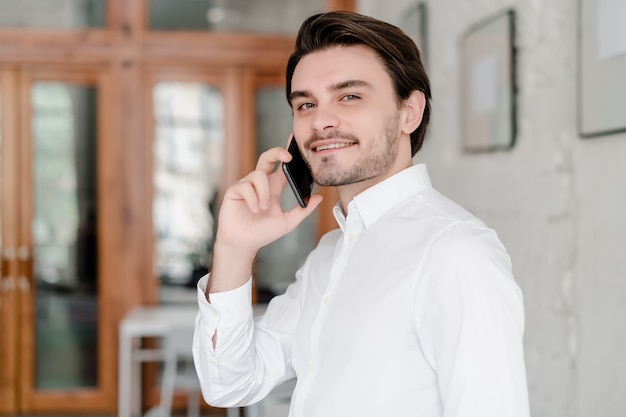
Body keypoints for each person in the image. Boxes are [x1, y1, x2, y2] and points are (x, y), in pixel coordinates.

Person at [192, 10, 530, 417]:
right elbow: (229, 383)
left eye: (349, 96)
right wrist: (234, 249)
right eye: (305, 104)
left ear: (410, 112)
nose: (321, 121)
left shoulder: (456, 254)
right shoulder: (329, 254)